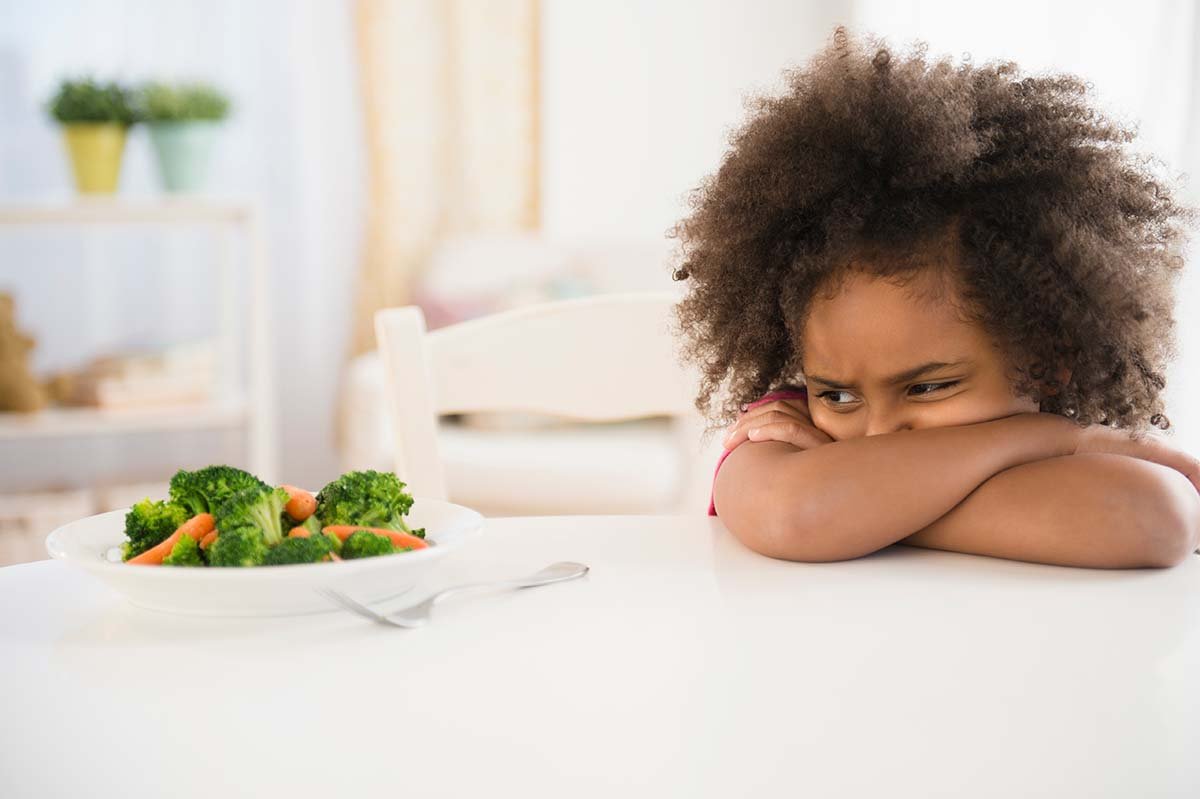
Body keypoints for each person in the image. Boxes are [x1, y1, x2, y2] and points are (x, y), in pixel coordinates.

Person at [671, 27, 1200, 568]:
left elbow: (1150, 518)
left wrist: (860, 510)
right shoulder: (780, 427)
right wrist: (1045, 437)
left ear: (1047, 362)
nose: (876, 432)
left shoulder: (826, 456)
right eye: (837, 396)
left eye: (925, 387)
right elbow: (796, 516)